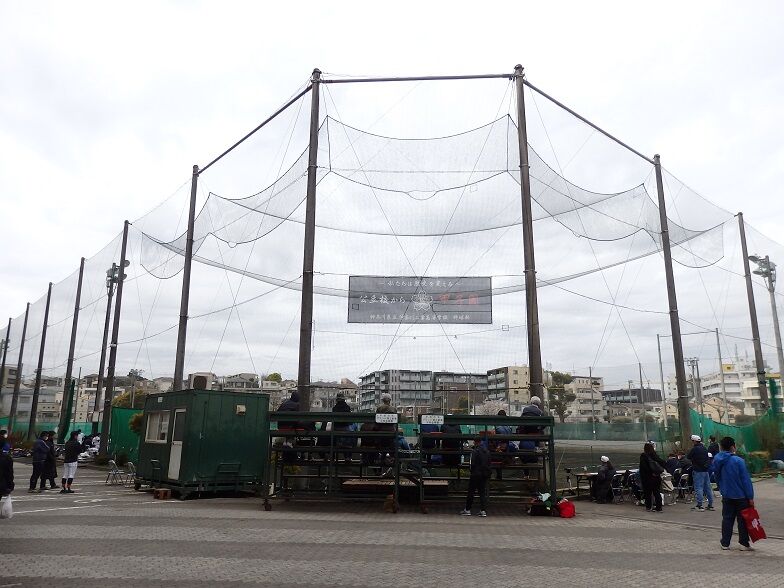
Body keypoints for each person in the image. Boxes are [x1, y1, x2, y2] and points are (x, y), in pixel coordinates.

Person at [712, 436, 755, 551]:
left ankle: (725, 543)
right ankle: (743, 544)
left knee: (727, 519)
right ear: (733, 447)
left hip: (727, 495)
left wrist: (722, 489)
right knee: (742, 520)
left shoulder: (717, 460)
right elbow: (745, 480)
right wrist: (750, 497)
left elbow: (716, 477)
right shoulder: (738, 461)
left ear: (721, 447)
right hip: (741, 496)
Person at [460, 437, 491, 517]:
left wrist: (472, 471)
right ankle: (483, 510)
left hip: (475, 474)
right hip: (484, 474)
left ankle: (467, 509)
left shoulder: (474, 451)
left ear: (476, 442)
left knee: (471, 492)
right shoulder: (487, 451)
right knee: (482, 493)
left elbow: (472, 464)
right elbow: (489, 463)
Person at [687, 434, 714, 511]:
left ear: (694, 441)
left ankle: (699, 505)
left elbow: (688, 457)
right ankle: (710, 505)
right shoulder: (704, 448)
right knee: (708, 488)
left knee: (698, 487)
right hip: (705, 470)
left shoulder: (694, 449)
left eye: (692, 441)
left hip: (698, 470)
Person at [639, 441, 666, 512]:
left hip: (647, 478)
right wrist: (657, 472)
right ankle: (659, 507)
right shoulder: (655, 455)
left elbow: (644, 467)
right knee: (656, 492)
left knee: (647, 493)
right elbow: (663, 463)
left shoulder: (644, 456)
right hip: (656, 477)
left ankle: (648, 507)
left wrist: (650, 473)